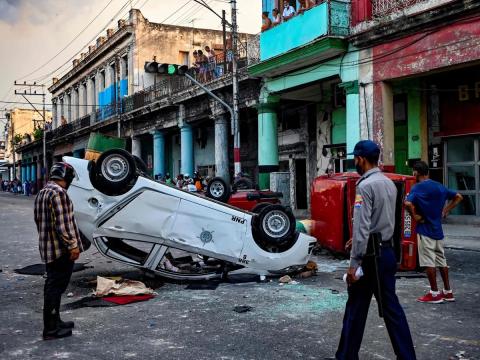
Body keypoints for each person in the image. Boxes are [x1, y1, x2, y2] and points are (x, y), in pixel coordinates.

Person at [335, 140, 416, 360]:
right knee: (391, 310)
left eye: (355, 159)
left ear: (360, 159)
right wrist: (360, 239)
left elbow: (362, 225)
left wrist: (354, 264)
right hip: (386, 252)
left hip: (370, 257)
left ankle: (346, 356)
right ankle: (407, 357)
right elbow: (384, 222)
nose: (355, 162)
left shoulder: (365, 186)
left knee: (355, 309)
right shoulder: (389, 183)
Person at [34, 162, 83, 340]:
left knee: (53, 286)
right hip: (60, 251)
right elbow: (62, 225)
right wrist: (73, 246)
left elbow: (39, 221)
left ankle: (56, 321)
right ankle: (51, 330)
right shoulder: (59, 193)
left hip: (48, 248)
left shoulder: (43, 192)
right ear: (66, 177)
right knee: (55, 288)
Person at [405, 161, 463, 303]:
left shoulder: (417, 188)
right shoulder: (440, 187)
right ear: (428, 172)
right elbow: (459, 197)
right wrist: (446, 210)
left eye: (413, 171)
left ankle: (434, 293)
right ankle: (448, 292)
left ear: (416, 172)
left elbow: (407, 203)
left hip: (425, 230)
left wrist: (415, 216)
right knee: (441, 261)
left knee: (428, 262)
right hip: (438, 231)